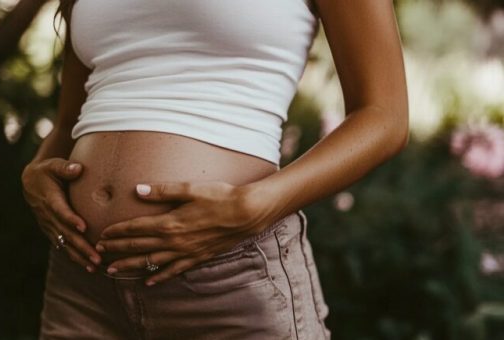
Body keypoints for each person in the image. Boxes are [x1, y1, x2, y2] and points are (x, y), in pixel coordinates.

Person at [21, 0, 409, 339]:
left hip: (229, 278)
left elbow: (384, 117)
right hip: (84, 282)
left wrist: (257, 205)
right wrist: (36, 171)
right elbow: (69, 119)